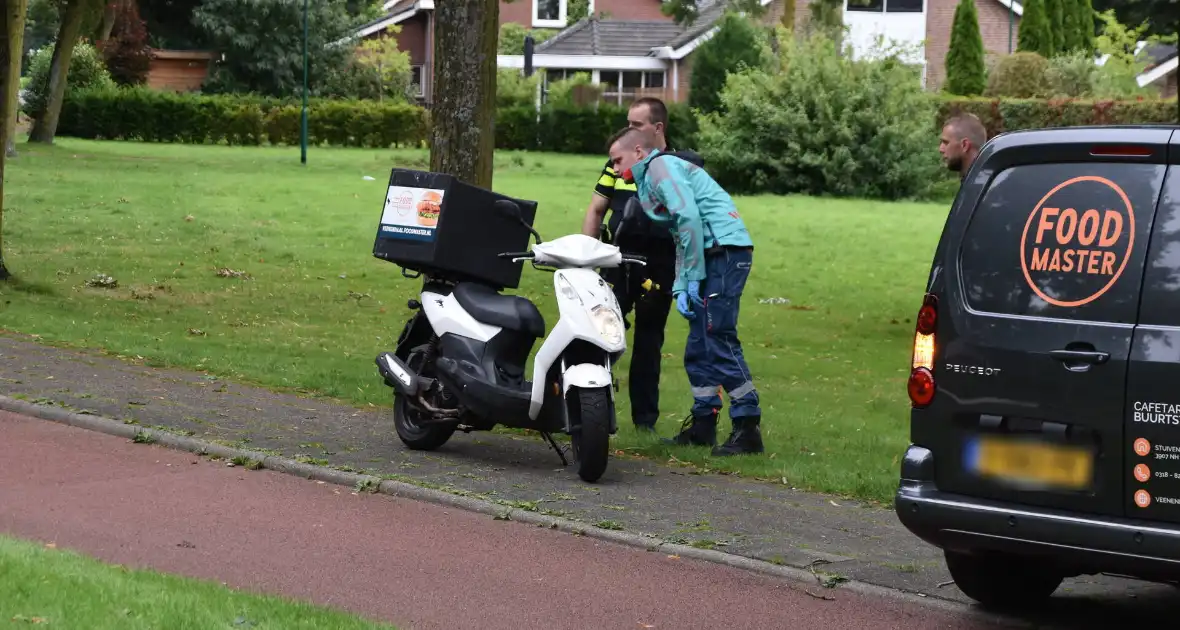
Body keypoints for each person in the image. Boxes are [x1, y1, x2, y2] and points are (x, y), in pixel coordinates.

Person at [606, 126, 763, 457]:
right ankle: (704, 423)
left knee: (717, 335)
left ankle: (747, 426)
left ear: (638, 151)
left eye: (617, 161)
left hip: (724, 250)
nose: (616, 171)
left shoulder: (661, 167)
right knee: (698, 343)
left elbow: (689, 218)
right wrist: (682, 283)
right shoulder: (650, 180)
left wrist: (692, 275)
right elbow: (681, 230)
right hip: (712, 253)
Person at [580, 98, 682, 433]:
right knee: (599, 334)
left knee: (649, 344)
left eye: (636, 125)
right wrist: (586, 259)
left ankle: (644, 423)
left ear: (658, 128)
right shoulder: (617, 161)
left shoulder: (676, 166)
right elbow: (597, 209)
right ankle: (589, 411)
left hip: (659, 263)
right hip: (618, 261)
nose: (629, 131)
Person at [938, 113, 988, 180]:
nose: (941, 149)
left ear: (965, 145)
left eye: (946, 143)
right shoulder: (982, 180)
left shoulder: (982, 185)